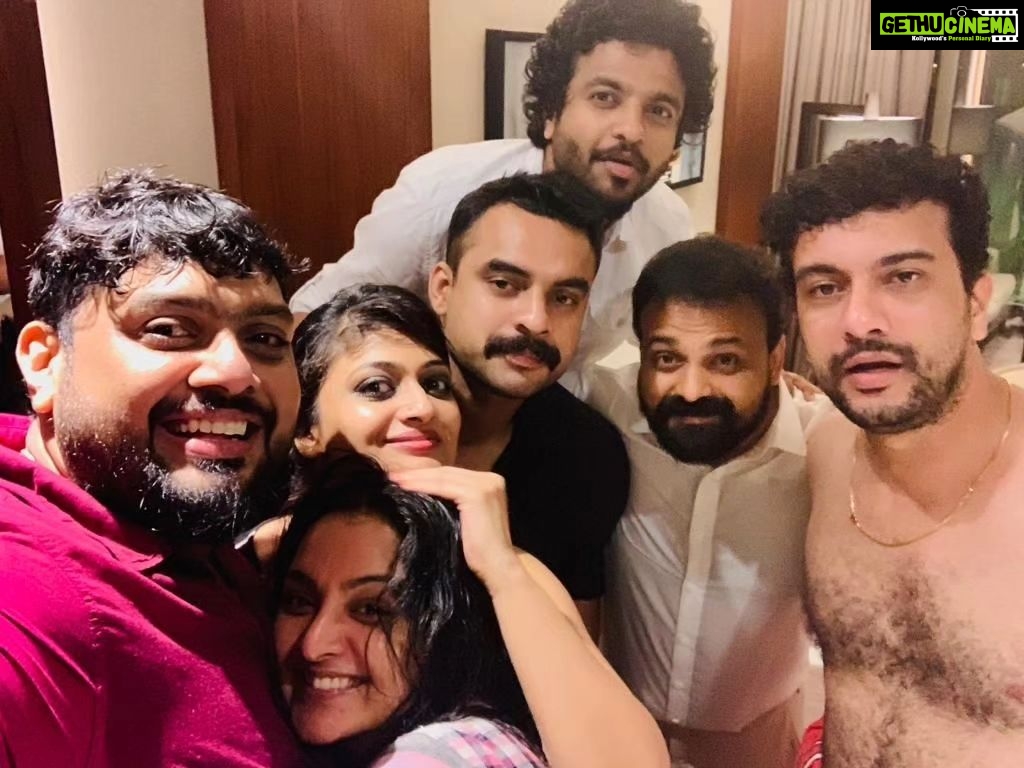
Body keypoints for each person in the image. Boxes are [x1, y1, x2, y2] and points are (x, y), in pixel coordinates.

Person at [268, 283, 669, 768]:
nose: (423, 408)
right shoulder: (257, 559)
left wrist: (501, 568)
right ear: (306, 428)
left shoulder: (503, 569)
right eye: (377, 387)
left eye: (437, 385)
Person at [0, 170, 304, 765]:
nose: (235, 373)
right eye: (167, 329)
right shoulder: (30, 599)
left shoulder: (171, 525)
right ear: (44, 362)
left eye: (266, 338)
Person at [289, 0, 716, 393]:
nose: (632, 130)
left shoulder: (665, 228)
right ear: (551, 113)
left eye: (660, 111)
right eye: (605, 97)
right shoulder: (440, 193)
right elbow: (313, 323)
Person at [761, 139, 1024, 767]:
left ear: (977, 303)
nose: (859, 321)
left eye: (903, 278)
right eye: (825, 288)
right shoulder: (825, 451)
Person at [586, 237, 830, 768]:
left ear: (775, 360)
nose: (692, 389)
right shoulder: (607, 406)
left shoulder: (825, 452)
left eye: (726, 360)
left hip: (758, 741)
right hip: (619, 729)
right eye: (667, 358)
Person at [426, 173, 629, 635]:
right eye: (504, 283)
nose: (536, 320)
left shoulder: (586, 456)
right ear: (442, 289)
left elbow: (573, 650)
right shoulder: (367, 416)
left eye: (564, 297)